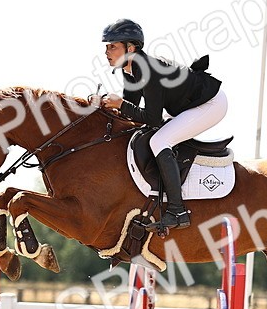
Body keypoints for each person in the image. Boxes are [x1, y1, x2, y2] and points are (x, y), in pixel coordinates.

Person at [95, 18, 228, 231]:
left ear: (131, 48)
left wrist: (120, 104)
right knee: (151, 135)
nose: (107, 52)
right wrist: (106, 108)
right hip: (192, 105)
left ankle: (178, 210)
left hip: (211, 104)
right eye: (107, 46)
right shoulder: (130, 69)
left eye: (113, 46)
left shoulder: (148, 69)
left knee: (160, 140)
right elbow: (133, 111)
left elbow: (152, 118)